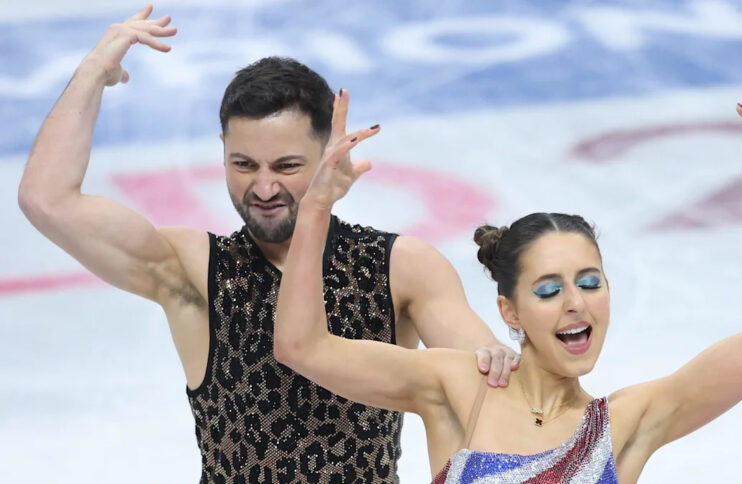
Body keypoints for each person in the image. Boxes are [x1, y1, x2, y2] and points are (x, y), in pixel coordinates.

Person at [17, 6, 518, 482]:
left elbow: (481, 378)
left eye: (287, 166)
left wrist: (493, 357)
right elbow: (47, 200)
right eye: (243, 165)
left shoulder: (399, 268)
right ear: (223, 153)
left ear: (330, 153)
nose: (263, 188)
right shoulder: (192, 270)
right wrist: (90, 73)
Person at [273, 80, 742, 483]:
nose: (576, 304)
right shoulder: (460, 388)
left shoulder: (627, 423)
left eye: (590, 283)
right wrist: (316, 205)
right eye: (550, 291)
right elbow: (301, 346)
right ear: (510, 312)